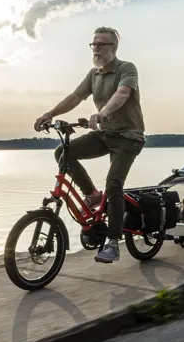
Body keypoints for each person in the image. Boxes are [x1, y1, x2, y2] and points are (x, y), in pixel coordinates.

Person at [33, 27, 145, 263]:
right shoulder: (93, 75)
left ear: (114, 47)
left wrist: (102, 113)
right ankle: (92, 195)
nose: (96, 49)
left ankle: (113, 243)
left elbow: (122, 94)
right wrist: (49, 114)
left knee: (114, 184)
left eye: (101, 44)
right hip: (105, 134)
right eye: (94, 44)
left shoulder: (126, 68)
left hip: (128, 137)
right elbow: (75, 97)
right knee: (63, 153)